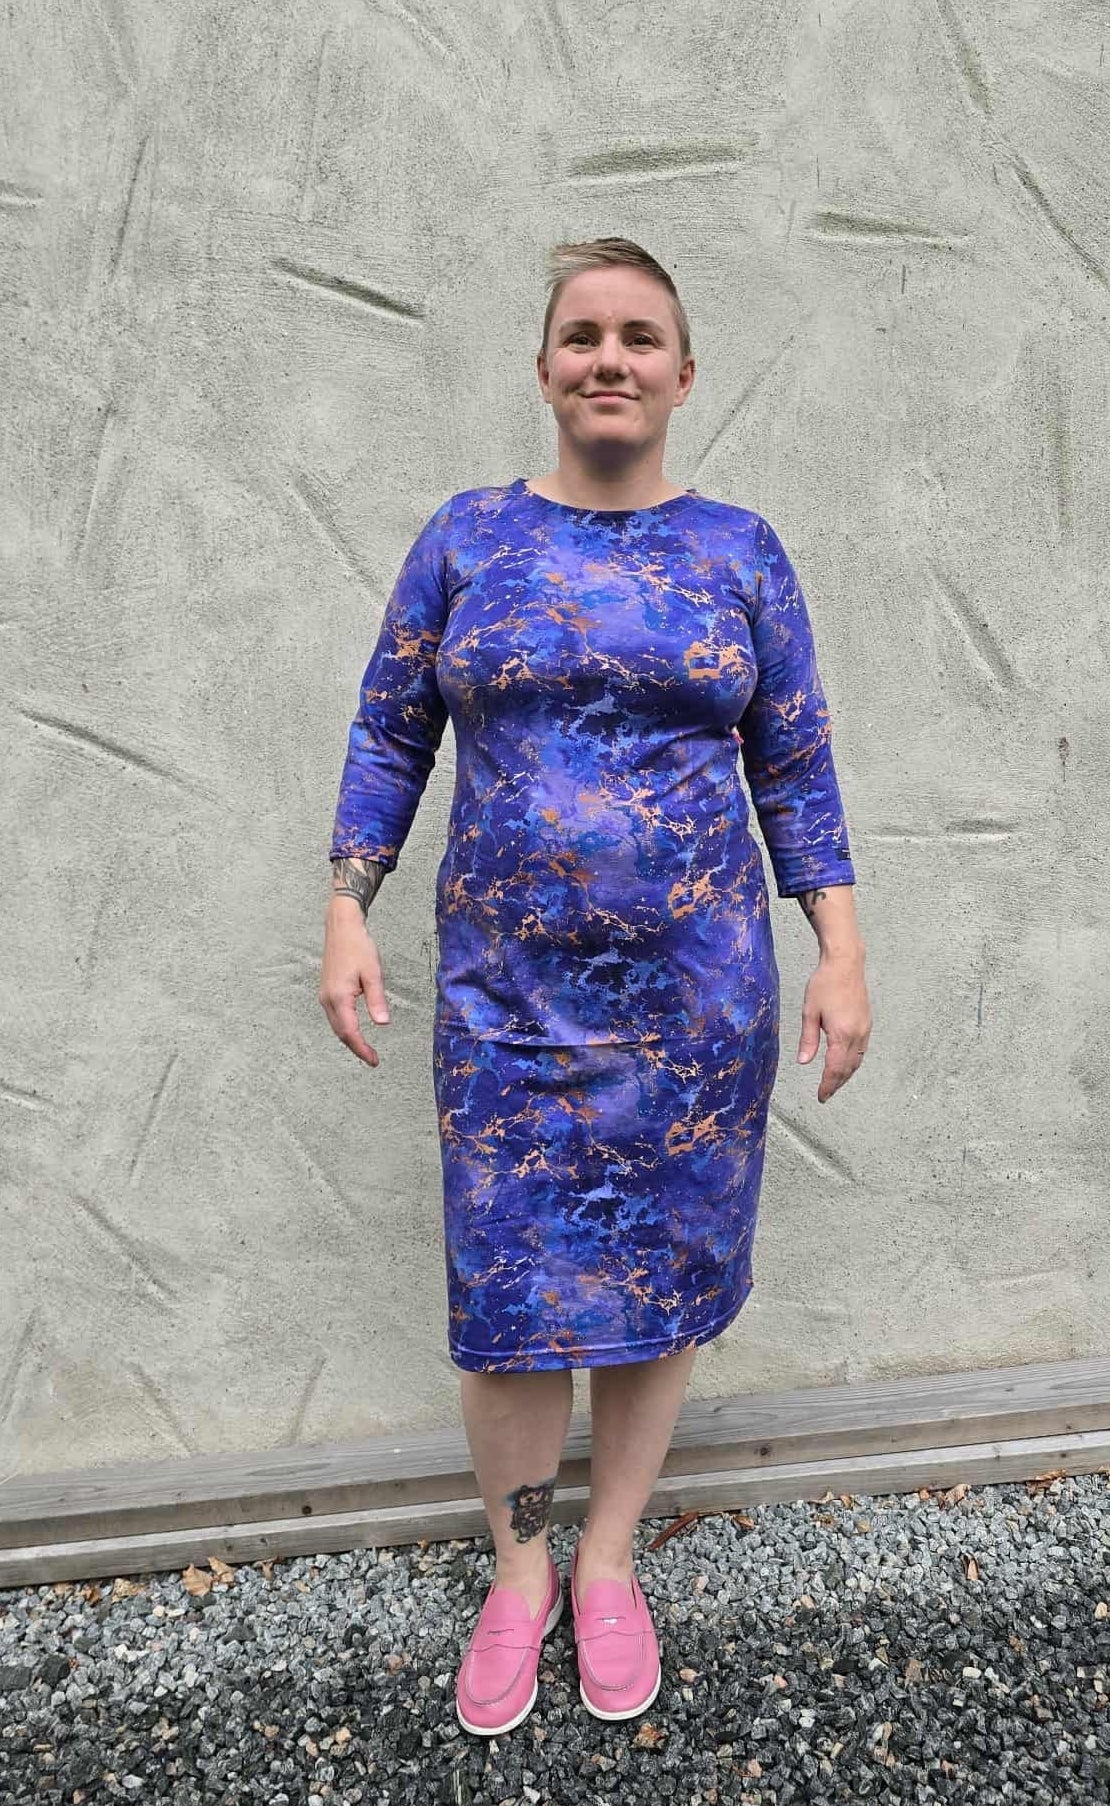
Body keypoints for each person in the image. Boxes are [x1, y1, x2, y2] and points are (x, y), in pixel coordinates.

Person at [319, 237, 872, 1737]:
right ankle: (519, 1574)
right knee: (505, 1292)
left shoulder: (741, 553)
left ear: (685, 375)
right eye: (582, 335)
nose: (609, 358)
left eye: (640, 336)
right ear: (545, 365)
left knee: (658, 1283)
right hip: (506, 1004)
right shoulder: (467, 541)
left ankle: (611, 1557)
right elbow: (389, 733)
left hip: (696, 1011)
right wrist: (347, 903)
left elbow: (797, 760)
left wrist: (840, 944)